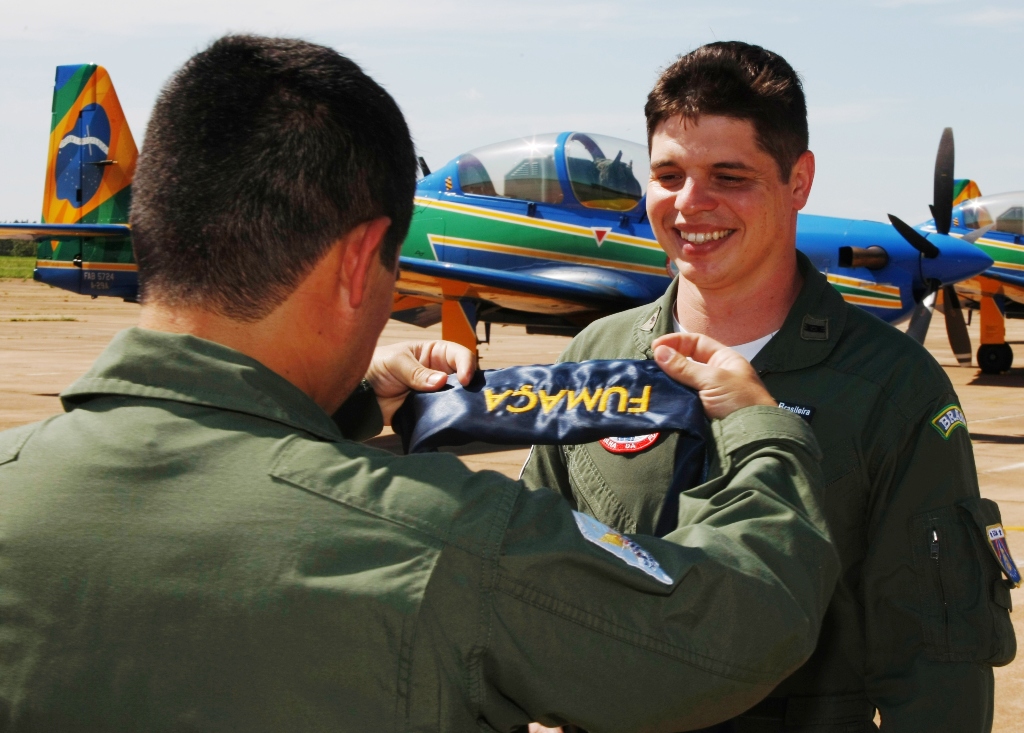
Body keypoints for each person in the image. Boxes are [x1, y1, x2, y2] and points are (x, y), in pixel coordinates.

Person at [0, 35, 841, 732]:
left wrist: (349, 401)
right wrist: (760, 432)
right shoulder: (446, 535)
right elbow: (735, 627)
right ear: (363, 260)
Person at [522, 42, 1016, 732]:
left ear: (799, 180)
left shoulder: (893, 387)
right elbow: (520, 582)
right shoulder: (593, 357)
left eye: (729, 176)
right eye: (668, 175)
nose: (690, 204)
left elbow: (936, 665)